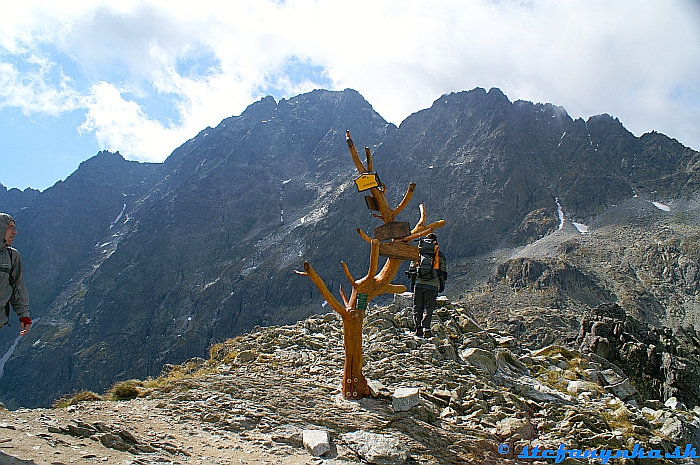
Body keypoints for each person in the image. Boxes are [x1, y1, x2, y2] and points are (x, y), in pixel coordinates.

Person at [408, 233, 447, 338]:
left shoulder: (419, 253)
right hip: (432, 285)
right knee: (428, 308)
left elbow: (412, 268)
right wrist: (441, 284)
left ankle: (418, 329)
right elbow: (443, 271)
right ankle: (427, 329)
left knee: (417, 306)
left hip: (419, 284)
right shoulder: (439, 254)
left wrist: (413, 283)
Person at [1, 213, 31, 336]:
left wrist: (24, 315)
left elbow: (17, 287)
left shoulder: (12, 257)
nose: (15, 232)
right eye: (11, 227)